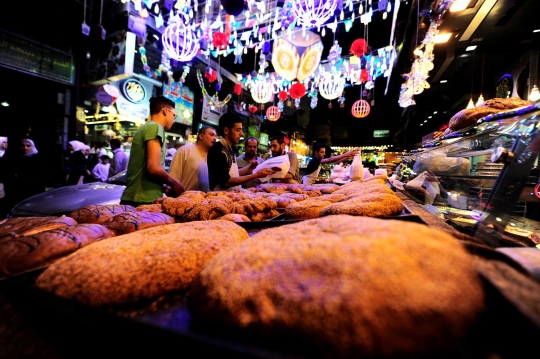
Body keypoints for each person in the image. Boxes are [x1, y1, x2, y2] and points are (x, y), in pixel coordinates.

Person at [120, 96, 185, 206]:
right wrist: (174, 183)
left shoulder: (146, 127)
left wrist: (163, 188)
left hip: (137, 197)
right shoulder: (155, 128)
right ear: (165, 111)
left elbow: (144, 169)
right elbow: (153, 167)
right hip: (143, 199)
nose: (174, 120)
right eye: (174, 115)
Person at [207, 112, 275, 191]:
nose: (242, 134)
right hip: (220, 198)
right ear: (226, 130)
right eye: (238, 130)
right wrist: (255, 175)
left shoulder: (230, 149)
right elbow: (226, 181)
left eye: (241, 130)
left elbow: (232, 174)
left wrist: (249, 168)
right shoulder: (217, 150)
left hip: (232, 196)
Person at [169, 126, 217, 192]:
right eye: (211, 135)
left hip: (204, 200)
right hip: (184, 198)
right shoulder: (185, 150)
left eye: (215, 136)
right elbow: (174, 177)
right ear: (201, 136)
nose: (214, 138)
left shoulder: (213, 156)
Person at [12, 139, 46, 204]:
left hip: (33, 189)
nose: (25, 148)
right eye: (22, 146)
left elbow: (39, 175)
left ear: (32, 147)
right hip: (21, 188)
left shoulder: (36, 159)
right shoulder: (20, 157)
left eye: (28, 146)